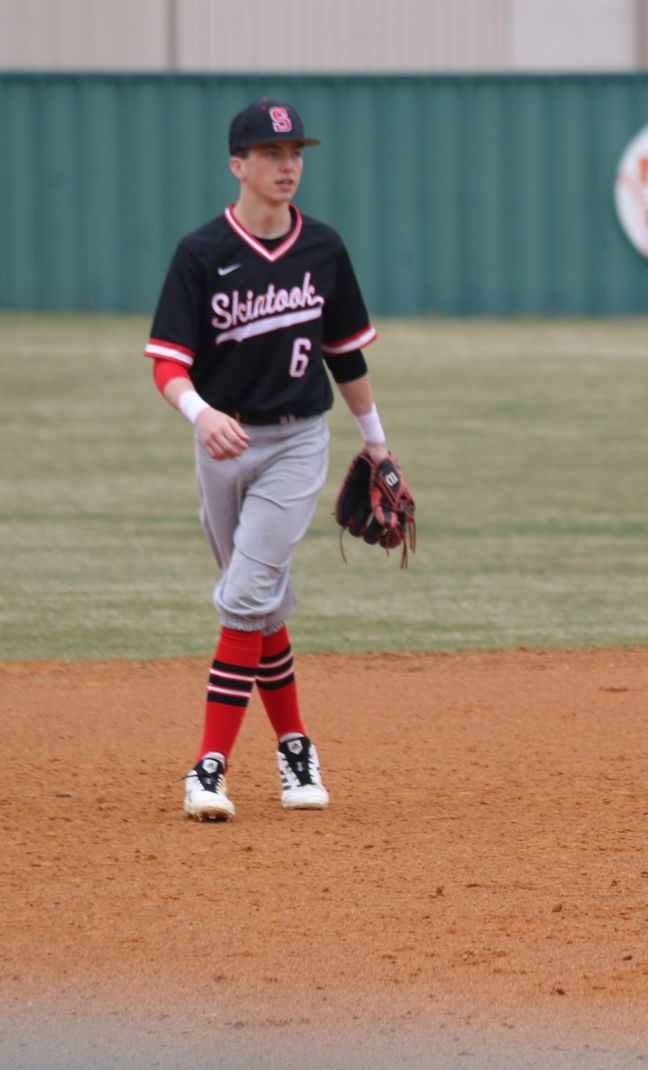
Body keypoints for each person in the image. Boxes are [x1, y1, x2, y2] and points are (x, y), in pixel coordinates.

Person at [144, 98, 391, 821]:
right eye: (272, 154)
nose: (288, 166)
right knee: (262, 601)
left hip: (296, 439)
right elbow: (166, 362)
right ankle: (296, 748)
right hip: (222, 444)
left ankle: (207, 769)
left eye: (296, 154)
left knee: (245, 595)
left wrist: (375, 438)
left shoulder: (323, 247)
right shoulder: (200, 253)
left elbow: (344, 353)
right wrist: (200, 411)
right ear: (238, 165)